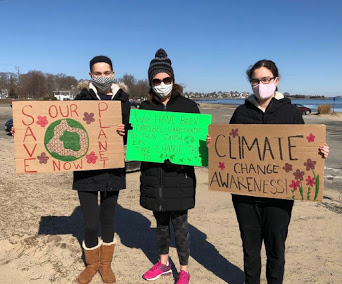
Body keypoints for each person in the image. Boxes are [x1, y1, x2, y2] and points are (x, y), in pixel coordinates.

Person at [207, 59, 329, 284]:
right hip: (245, 195)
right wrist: (214, 144)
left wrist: (319, 150)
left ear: (276, 81)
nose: (260, 84)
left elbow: (304, 148)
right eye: (255, 80)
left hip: (279, 196)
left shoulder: (290, 113)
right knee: (250, 249)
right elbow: (228, 148)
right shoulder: (241, 113)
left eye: (265, 79)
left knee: (276, 250)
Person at [138, 48, 199, 284]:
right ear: (150, 82)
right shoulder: (144, 108)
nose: (161, 83)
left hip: (180, 178)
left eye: (166, 79)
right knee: (160, 224)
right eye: (156, 80)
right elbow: (137, 142)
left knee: (181, 226)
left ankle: (183, 269)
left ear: (173, 81)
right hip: (154, 177)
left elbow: (198, 143)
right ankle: (163, 263)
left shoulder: (188, 106)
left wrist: (206, 141)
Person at [74, 55, 130, 284]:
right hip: (86, 169)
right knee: (90, 222)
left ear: (113, 73)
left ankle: (105, 264)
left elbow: (133, 132)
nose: (103, 77)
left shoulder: (124, 100)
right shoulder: (80, 99)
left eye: (107, 73)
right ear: (90, 75)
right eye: (98, 73)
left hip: (112, 167)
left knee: (108, 218)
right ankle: (91, 263)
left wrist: (126, 130)